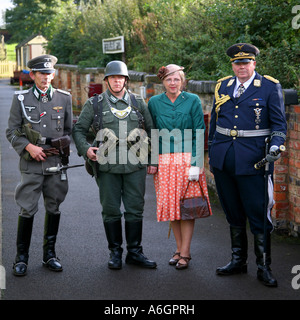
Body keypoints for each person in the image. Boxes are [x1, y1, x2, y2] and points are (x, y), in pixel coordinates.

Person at [208, 43, 287, 287]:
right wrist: (212, 151)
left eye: (245, 62)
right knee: (232, 213)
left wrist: (275, 146)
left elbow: (279, 126)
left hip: (255, 162)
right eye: (237, 63)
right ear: (232, 65)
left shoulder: (269, 87)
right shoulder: (223, 85)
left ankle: (263, 267)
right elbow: (215, 122)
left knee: (258, 215)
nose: (241, 67)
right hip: (224, 160)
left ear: (254, 63)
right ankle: (238, 261)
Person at [72, 60, 157, 270]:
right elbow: (78, 130)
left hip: (135, 165)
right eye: (113, 78)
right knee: (110, 210)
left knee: (135, 209)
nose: (117, 81)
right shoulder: (96, 104)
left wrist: (153, 160)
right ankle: (115, 252)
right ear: (107, 80)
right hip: (107, 166)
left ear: (126, 80)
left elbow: (153, 130)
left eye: (120, 78)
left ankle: (135, 252)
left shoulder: (138, 102)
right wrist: (86, 149)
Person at [6, 54, 73, 276]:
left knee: (54, 207)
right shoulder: (21, 99)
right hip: (31, 164)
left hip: (55, 163)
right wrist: (28, 147)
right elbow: (12, 131)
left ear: (53, 75)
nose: (46, 77)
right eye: (41, 73)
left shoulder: (64, 98)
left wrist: (65, 148)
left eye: (49, 73)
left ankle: (49, 255)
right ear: (33, 75)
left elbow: (68, 131)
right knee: (27, 208)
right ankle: (21, 257)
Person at [148, 64, 212, 270]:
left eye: (176, 79)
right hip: (165, 162)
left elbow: (199, 132)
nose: (173, 83)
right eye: (168, 79)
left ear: (182, 81)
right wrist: (153, 161)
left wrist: (197, 164)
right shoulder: (154, 102)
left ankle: (186, 252)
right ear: (163, 82)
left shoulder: (192, 100)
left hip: (187, 162)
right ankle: (178, 249)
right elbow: (153, 133)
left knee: (188, 207)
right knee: (171, 208)